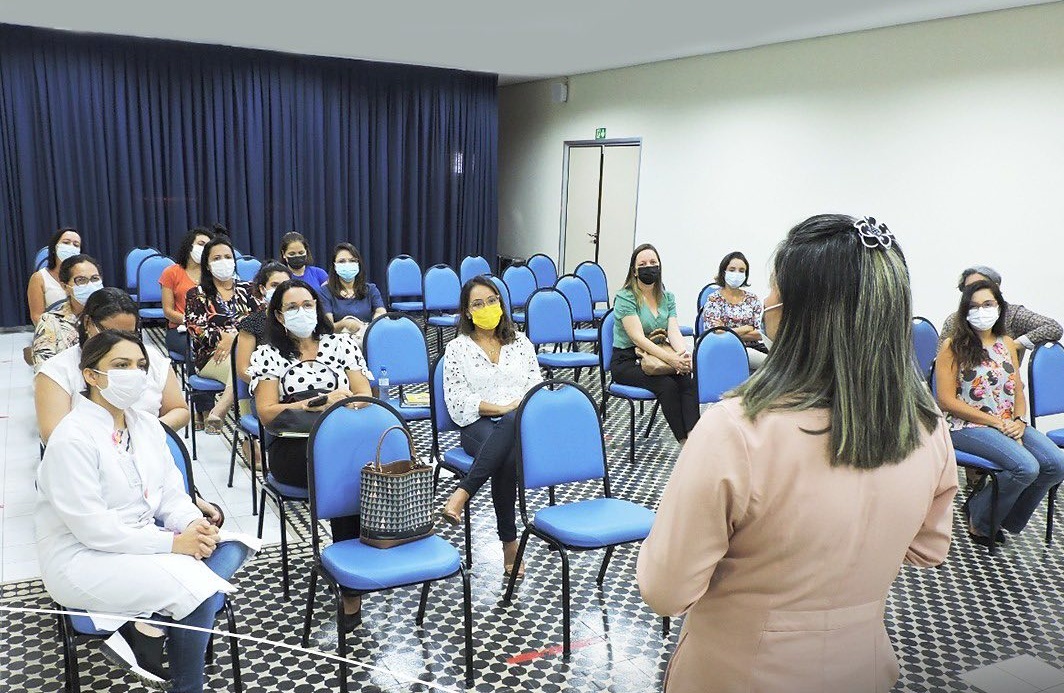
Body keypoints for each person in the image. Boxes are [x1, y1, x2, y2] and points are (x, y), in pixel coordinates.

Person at [638, 214, 957, 693]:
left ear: (797, 309)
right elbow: (927, 548)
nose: (765, 300)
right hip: (861, 669)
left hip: (739, 672)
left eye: (772, 287)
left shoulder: (737, 430)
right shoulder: (927, 428)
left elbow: (665, 591)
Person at [36, 330, 254, 693]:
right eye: (121, 365)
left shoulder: (146, 425)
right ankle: (186, 685)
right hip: (84, 557)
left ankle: (147, 627)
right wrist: (174, 544)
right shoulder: (71, 438)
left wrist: (193, 525)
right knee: (200, 589)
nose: (134, 374)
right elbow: (94, 530)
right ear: (91, 375)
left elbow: (171, 494)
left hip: (142, 541)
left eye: (140, 365)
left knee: (232, 548)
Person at [248, 278, 372, 629]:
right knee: (347, 475)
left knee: (351, 467)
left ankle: (351, 577)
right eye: (291, 307)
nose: (301, 312)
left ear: (318, 308)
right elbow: (267, 413)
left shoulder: (341, 344)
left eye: (307, 305)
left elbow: (364, 395)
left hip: (340, 440)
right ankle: (350, 583)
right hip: (293, 448)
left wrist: (342, 404)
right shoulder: (269, 354)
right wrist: (316, 403)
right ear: (278, 315)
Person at [935, 279, 1064, 546]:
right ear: (964, 311)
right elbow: (945, 400)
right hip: (965, 426)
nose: (981, 311)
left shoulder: (1007, 343)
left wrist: (1018, 420)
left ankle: (998, 515)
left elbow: (1017, 390)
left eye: (987, 304)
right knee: (1026, 467)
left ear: (999, 306)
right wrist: (996, 422)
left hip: (1006, 422)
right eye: (974, 306)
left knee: (1056, 463)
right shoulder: (952, 346)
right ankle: (981, 522)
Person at [439, 277, 543, 578]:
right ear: (467, 312)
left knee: (512, 426)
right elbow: (458, 400)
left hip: (519, 423)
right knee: (507, 456)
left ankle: (463, 492)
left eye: (492, 300)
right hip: (477, 424)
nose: (486, 307)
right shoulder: (457, 349)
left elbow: (535, 386)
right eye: (478, 304)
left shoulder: (521, 343)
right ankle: (509, 543)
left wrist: (514, 410)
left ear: (501, 303)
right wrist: (503, 408)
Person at [36, 287, 190, 442]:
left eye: (129, 335)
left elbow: (179, 410)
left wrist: (143, 432)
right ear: (88, 323)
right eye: (111, 334)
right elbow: (53, 435)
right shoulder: (58, 369)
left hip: (148, 445)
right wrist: (113, 442)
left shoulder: (151, 358)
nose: (121, 342)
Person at [611, 243, 699, 443]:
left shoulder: (667, 297)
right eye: (642, 264)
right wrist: (670, 359)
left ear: (659, 267)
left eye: (653, 262)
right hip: (628, 361)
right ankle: (684, 443)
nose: (648, 267)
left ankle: (694, 440)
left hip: (658, 356)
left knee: (686, 380)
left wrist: (682, 356)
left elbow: (673, 331)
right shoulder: (625, 297)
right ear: (634, 271)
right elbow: (638, 338)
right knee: (667, 385)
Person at [184, 235, 259, 434]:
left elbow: (261, 322)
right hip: (212, 356)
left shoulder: (248, 289)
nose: (223, 262)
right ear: (207, 265)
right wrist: (229, 338)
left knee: (247, 365)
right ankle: (247, 435)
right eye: (217, 258)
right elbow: (197, 331)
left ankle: (222, 410)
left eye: (227, 257)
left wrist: (234, 337)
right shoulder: (196, 294)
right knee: (242, 369)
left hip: (248, 351)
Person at [939, 265, 1061, 363]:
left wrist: (1013, 345)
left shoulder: (1012, 314)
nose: (976, 291)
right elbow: (938, 361)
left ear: (995, 288)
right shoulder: (953, 320)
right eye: (969, 288)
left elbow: (1052, 327)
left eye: (981, 286)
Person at [31, 254, 103, 373]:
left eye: (95, 279)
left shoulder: (114, 313)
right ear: (65, 286)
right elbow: (43, 369)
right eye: (81, 280)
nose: (90, 285)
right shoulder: (50, 321)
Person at [701, 251, 769, 371]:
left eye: (741, 271)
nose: (737, 274)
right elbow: (715, 333)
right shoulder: (714, 299)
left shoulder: (752, 299)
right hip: (728, 349)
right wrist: (747, 328)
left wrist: (728, 330)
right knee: (774, 367)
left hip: (756, 347)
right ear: (723, 272)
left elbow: (761, 333)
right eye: (732, 270)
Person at [235, 261, 293, 384]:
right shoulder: (251, 323)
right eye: (274, 285)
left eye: (285, 285)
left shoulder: (301, 319)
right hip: (266, 386)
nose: (280, 290)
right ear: (262, 289)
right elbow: (243, 370)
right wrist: (274, 384)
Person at [160, 227, 212, 356]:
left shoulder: (212, 273)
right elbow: (168, 311)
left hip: (211, 328)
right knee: (200, 348)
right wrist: (193, 321)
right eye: (201, 244)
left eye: (207, 246)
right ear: (189, 246)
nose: (204, 249)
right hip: (180, 329)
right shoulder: (171, 272)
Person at [319, 242, 386, 339]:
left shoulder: (371, 289)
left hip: (367, 338)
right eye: (342, 261)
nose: (347, 264)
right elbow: (328, 327)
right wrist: (344, 324)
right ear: (334, 266)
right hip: (338, 342)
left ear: (358, 264)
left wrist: (376, 322)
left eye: (352, 260)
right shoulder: (324, 292)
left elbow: (381, 312)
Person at [26, 227, 82, 325]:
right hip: (52, 330)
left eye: (76, 245)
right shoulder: (39, 278)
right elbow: (36, 317)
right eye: (66, 242)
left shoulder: (84, 276)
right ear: (54, 248)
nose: (71, 247)